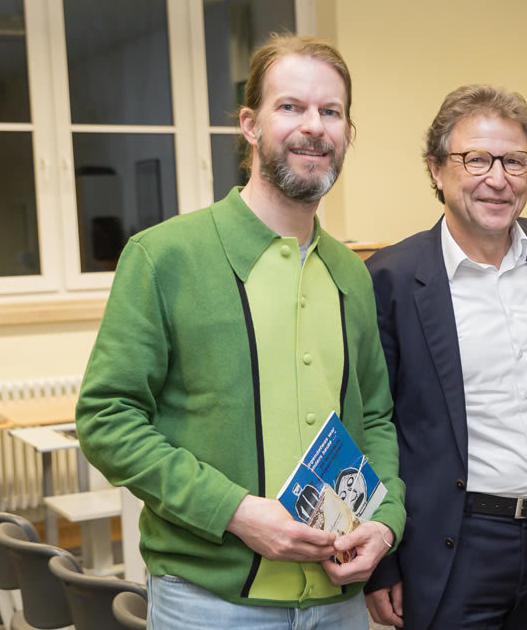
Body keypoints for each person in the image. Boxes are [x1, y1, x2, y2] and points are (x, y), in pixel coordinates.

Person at [75, 35, 405, 628]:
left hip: (339, 604)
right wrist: (234, 512)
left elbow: (376, 417)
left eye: (331, 112)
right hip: (210, 605)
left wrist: (386, 522)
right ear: (250, 126)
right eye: (291, 107)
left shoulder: (353, 274)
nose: (314, 127)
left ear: (348, 133)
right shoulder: (165, 257)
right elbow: (107, 419)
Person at [363, 84, 527, 630]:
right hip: (449, 548)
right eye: (476, 159)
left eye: (515, 161)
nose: (498, 178)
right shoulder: (392, 278)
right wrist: (382, 566)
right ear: (435, 169)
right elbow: (368, 424)